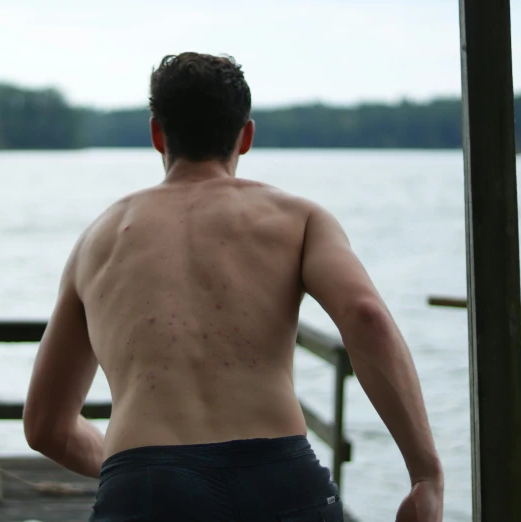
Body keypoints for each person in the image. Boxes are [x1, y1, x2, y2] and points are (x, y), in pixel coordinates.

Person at [23, 52, 444, 522]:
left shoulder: (96, 241)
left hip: (144, 486)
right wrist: (424, 474)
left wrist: (141, 470)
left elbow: (46, 427)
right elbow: (366, 315)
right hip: (278, 479)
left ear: (157, 133)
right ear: (246, 136)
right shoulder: (299, 219)